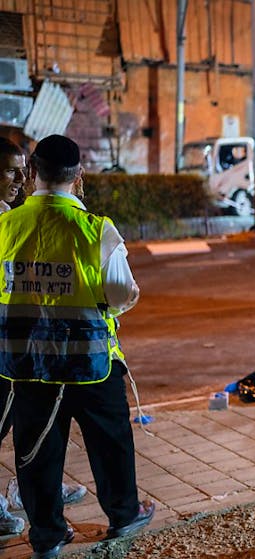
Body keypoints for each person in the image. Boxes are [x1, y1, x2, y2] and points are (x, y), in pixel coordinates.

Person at [0, 135, 155, 558]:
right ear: (79, 177)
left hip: (28, 365)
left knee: (35, 451)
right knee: (110, 442)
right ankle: (124, 514)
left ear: (33, 174)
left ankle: (47, 536)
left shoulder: (5, 226)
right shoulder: (96, 229)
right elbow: (122, 293)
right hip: (90, 365)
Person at [0, 138, 89, 538]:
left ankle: (33, 488)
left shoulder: (9, 215)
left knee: (26, 422)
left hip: (16, 344)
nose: (21, 179)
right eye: (11, 171)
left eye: (24, 170)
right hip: (7, 345)